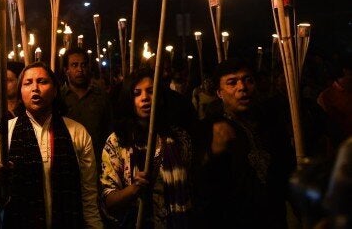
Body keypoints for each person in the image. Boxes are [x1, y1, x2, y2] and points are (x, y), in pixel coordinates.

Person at [0, 62, 103, 228]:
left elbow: (88, 195)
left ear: (54, 91)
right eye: (28, 83)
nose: (35, 88)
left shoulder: (77, 133)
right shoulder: (3, 134)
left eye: (42, 81)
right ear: (20, 92)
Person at [192, 59, 293, 229]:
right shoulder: (208, 129)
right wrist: (214, 153)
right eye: (232, 83)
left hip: (273, 219)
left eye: (248, 80)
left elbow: (285, 172)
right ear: (219, 92)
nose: (242, 87)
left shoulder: (270, 124)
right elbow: (200, 188)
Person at [100, 69, 193, 228]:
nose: (145, 98)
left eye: (151, 91)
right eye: (137, 93)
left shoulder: (179, 138)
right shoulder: (118, 141)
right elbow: (109, 199)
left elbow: (191, 186)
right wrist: (134, 189)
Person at [61, 47, 112, 161]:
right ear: (66, 70)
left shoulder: (101, 96)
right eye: (74, 65)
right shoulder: (59, 98)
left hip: (98, 159)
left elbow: (109, 129)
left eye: (83, 65)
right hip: (68, 160)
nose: (80, 69)